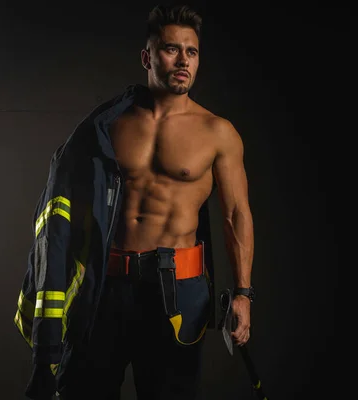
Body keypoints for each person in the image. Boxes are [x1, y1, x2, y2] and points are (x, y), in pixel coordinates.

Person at [13, 4, 255, 399]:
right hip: (106, 287)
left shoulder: (217, 132)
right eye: (171, 49)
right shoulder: (108, 126)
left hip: (177, 292)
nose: (183, 61)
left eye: (191, 52)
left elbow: (235, 214)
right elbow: (63, 209)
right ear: (147, 57)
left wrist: (243, 294)